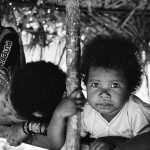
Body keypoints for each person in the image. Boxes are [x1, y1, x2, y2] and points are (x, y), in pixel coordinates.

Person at [47, 34, 150, 150]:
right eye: (95, 84)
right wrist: (58, 114)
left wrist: (114, 141)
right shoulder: (85, 111)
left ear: (130, 88)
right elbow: (55, 145)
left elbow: (145, 143)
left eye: (114, 85)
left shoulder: (137, 112)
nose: (104, 94)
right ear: (86, 85)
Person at [1, 61, 66, 147]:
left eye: (15, 115)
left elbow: (57, 128)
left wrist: (27, 128)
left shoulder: (41, 111)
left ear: (36, 116)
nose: (4, 111)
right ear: (9, 83)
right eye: (6, 99)